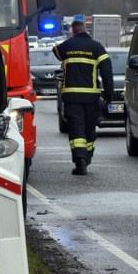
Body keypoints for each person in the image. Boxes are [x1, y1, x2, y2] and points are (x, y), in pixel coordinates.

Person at [53, 19, 113, 175]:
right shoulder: (97, 47)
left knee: (76, 127)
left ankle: (80, 159)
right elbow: (107, 71)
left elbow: (56, 51)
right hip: (91, 96)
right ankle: (88, 155)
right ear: (85, 29)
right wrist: (109, 94)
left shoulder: (67, 46)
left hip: (72, 96)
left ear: (73, 31)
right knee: (89, 127)